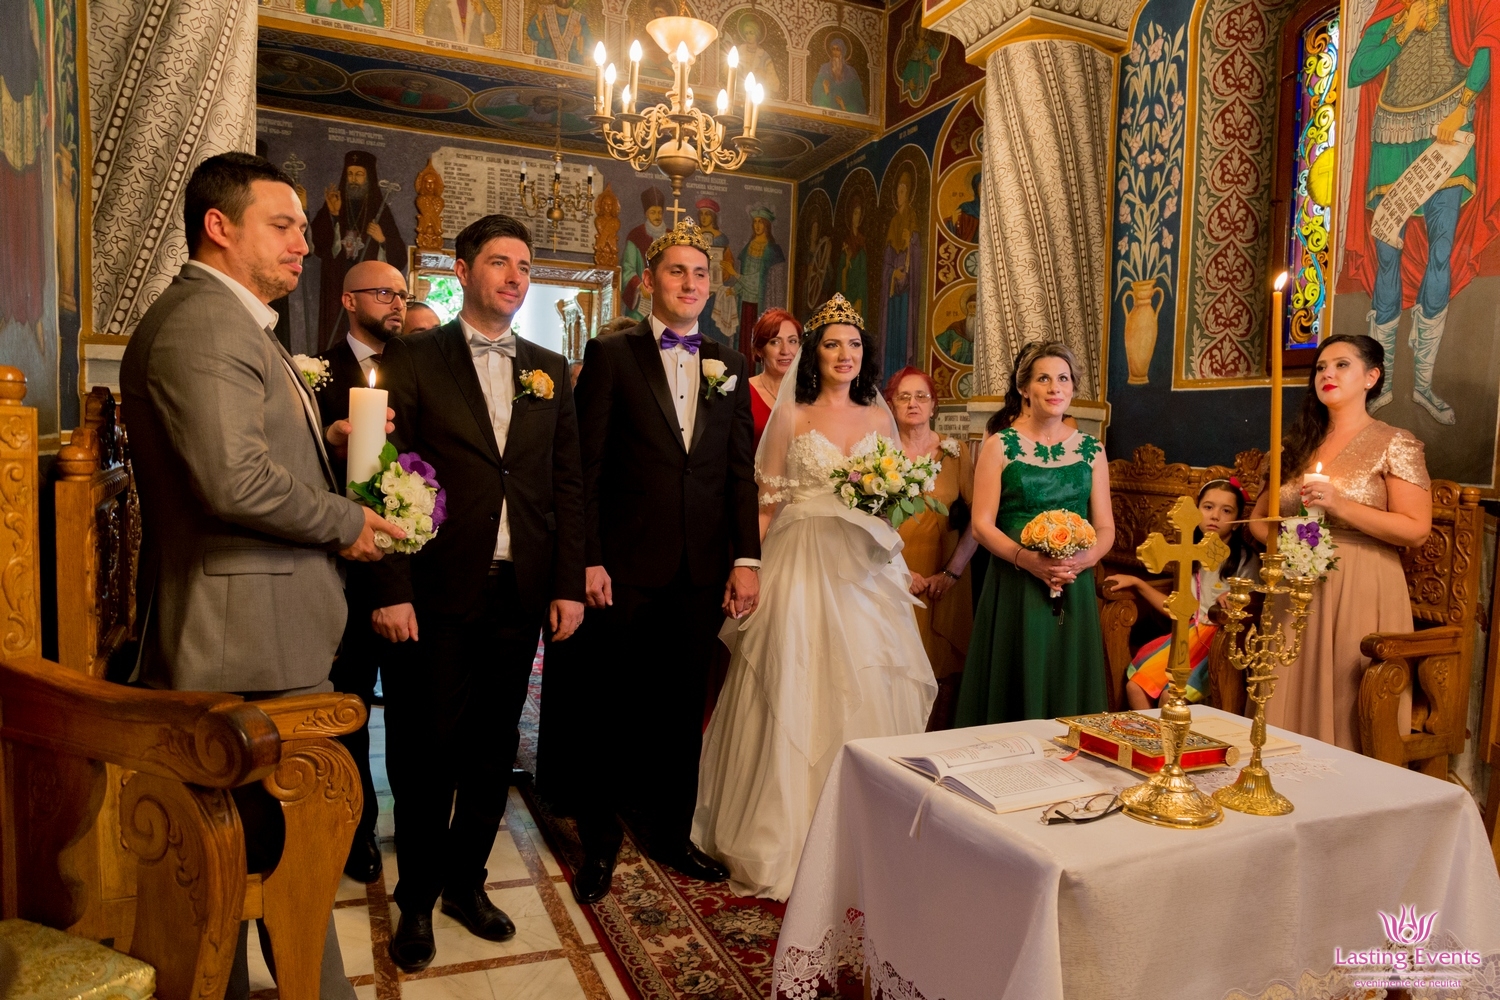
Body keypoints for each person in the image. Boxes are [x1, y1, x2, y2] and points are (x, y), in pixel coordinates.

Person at [120, 151, 403, 1000]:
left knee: (275, 866)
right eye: (281, 226)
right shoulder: (204, 324)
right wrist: (347, 521)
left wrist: (335, 460)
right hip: (237, 639)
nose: (303, 244)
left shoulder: (235, 322)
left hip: (257, 632)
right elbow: (232, 481)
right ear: (219, 226)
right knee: (265, 866)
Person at [368, 214, 586, 971]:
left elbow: (566, 483)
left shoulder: (549, 368)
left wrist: (567, 584)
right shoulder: (414, 356)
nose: (515, 276)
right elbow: (381, 473)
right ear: (462, 271)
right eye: (499, 262)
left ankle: (466, 883)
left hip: (518, 588)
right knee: (428, 749)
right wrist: (390, 587)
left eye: (524, 265)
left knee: (494, 751)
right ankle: (416, 899)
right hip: (434, 587)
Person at [694, 294, 936, 900]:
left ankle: (865, 833)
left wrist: (892, 552)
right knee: (794, 683)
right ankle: (785, 834)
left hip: (862, 572)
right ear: (813, 355)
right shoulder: (793, 416)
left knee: (866, 680)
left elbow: (887, 504)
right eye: (831, 344)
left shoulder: (879, 419)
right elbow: (767, 502)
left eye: (853, 344)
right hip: (800, 561)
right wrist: (746, 567)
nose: (844, 354)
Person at [567, 220, 761, 905]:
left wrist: (746, 559)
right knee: (609, 707)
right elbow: (586, 467)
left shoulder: (729, 364)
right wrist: (588, 558)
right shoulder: (612, 354)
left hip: (700, 568)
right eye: (677, 271)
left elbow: (739, 472)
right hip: (622, 565)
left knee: (680, 709)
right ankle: (598, 842)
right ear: (648, 281)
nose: (690, 283)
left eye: (700, 274)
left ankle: (671, 832)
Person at [1246, 334, 1432, 751]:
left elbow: (1416, 529)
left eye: (1341, 365)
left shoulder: (1394, 442)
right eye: (1320, 367)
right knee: (1284, 690)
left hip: (1362, 584)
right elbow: (1259, 521)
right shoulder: (1294, 445)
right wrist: (1294, 546)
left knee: (1344, 695)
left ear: (1371, 377)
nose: (1327, 374)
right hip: (1295, 578)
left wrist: (1340, 505)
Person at [956, 342, 1114, 725]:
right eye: (1043, 379)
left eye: (1063, 379)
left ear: (1073, 387)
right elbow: (981, 525)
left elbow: (1106, 527)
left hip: (1073, 582)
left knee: (1066, 677)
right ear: (1024, 388)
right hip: (1015, 582)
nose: (1055, 387)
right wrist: (1028, 560)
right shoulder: (999, 445)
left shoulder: (1093, 450)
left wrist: (1083, 560)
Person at [312, 259, 409, 886]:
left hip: (410, 567)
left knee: (411, 708)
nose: (397, 302)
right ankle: (356, 827)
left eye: (403, 293)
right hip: (342, 570)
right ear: (349, 301)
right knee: (348, 705)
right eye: (383, 293)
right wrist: (331, 438)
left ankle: (415, 823)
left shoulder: (421, 365)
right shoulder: (314, 373)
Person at [1106, 479, 1258, 708]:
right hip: (1187, 635)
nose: (1215, 516)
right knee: (1135, 686)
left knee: (1171, 696)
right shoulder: (1189, 553)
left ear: (1237, 522)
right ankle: (1150, 733)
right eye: (1208, 507)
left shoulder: (1245, 560)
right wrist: (1138, 583)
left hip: (1220, 644)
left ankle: (1172, 732)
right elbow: (1178, 608)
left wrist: (1237, 599)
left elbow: (1256, 604)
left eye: (1226, 511)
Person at [886, 366, 978, 730]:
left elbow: (979, 519)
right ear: (891, 405)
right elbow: (862, 521)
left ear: (934, 404)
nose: (913, 403)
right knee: (894, 668)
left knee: (941, 670)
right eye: (903, 397)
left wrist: (951, 572)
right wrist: (898, 572)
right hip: (892, 575)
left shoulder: (956, 453)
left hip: (945, 577)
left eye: (921, 396)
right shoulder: (878, 452)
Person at [311, 150, 407, 349]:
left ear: (368, 178)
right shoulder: (336, 203)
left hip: (369, 287)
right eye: (350, 174)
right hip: (337, 281)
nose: (353, 179)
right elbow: (317, 246)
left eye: (359, 174)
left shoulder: (379, 210)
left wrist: (382, 240)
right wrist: (333, 215)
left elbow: (399, 257)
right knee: (335, 334)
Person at [880, 169, 921, 381]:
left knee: (904, 332)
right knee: (892, 332)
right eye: (897, 191)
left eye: (903, 191)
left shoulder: (912, 219)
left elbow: (916, 254)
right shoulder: (893, 222)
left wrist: (909, 243)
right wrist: (892, 273)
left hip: (906, 292)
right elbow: (887, 261)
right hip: (893, 291)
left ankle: (904, 376)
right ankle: (890, 378)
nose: (899, 195)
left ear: (909, 193)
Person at [735, 208, 787, 359]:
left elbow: (760, 280)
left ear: (767, 225)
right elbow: (745, 273)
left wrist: (734, 274)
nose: (757, 225)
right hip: (745, 303)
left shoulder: (773, 251)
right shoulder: (748, 247)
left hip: (762, 304)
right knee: (745, 340)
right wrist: (734, 289)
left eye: (761, 222)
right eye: (755, 222)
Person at [747, 308, 801, 446]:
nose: (785, 351)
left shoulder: (811, 393)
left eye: (792, 341)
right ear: (759, 349)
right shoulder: (743, 392)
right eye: (775, 342)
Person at [810, 35, 866, 113]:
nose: (835, 52)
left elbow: (857, 99)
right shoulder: (824, 69)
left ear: (843, 52)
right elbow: (816, 93)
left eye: (838, 49)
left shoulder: (851, 72)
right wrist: (826, 90)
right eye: (833, 49)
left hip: (845, 111)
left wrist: (844, 106)